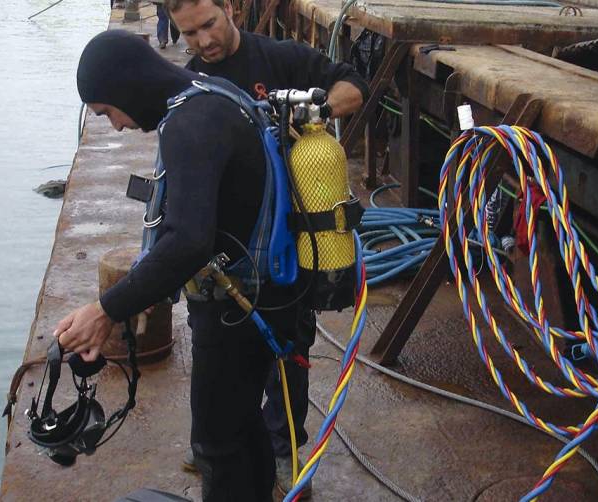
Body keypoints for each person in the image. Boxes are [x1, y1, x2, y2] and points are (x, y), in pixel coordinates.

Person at [58, 29, 291, 501]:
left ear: (126, 85)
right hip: (263, 297)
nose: (116, 127)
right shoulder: (210, 93)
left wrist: (106, 310)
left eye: (107, 112)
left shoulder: (191, 124)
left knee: (216, 443)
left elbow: (187, 240)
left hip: (236, 313)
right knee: (244, 424)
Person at [167, 0, 369, 497]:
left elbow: (353, 86)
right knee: (214, 354)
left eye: (209, 24)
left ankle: (285, 451)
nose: (203, 42)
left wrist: (314, 108)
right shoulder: (191, 85)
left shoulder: (278, 60)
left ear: (231, 8)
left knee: (287, 351)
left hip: (287, 246)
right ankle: (212, 441)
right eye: (189, 34)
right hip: (227, 250)